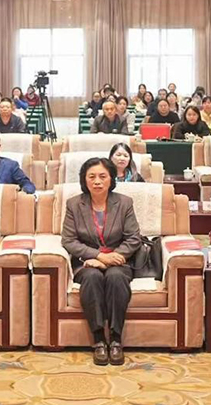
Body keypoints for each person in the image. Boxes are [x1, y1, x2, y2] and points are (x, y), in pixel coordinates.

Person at [62, 157, 142, 366]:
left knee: (116, 278)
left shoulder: (124, 202)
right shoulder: (74, 204)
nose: (97, 181)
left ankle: (115, 339)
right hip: (87, 262)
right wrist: (97, 256)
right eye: (92, 177)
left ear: (111, 179)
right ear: (84, 180)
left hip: (119, 261)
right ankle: (98, 339)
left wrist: (110, 259)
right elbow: (68, 240)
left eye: (102, 176)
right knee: (92, 278)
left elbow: (133, 238)